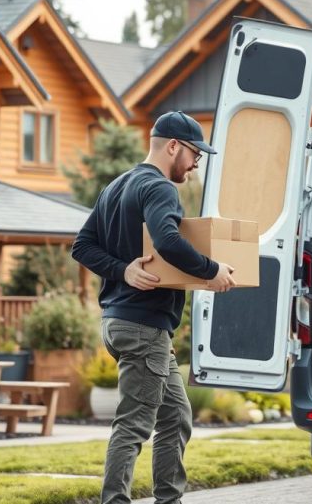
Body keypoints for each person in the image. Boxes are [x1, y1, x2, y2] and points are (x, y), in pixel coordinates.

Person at [72, 110, 237, 504]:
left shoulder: (117, 185)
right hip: (142, 325)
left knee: (176, 418)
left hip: (121, 321)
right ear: (174, 146)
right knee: (133, 425)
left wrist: (121, 270)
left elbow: (82, 245)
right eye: (195, 153)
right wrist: (211, 271)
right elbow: (167, 240)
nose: (197, 163)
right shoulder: (160, 187)